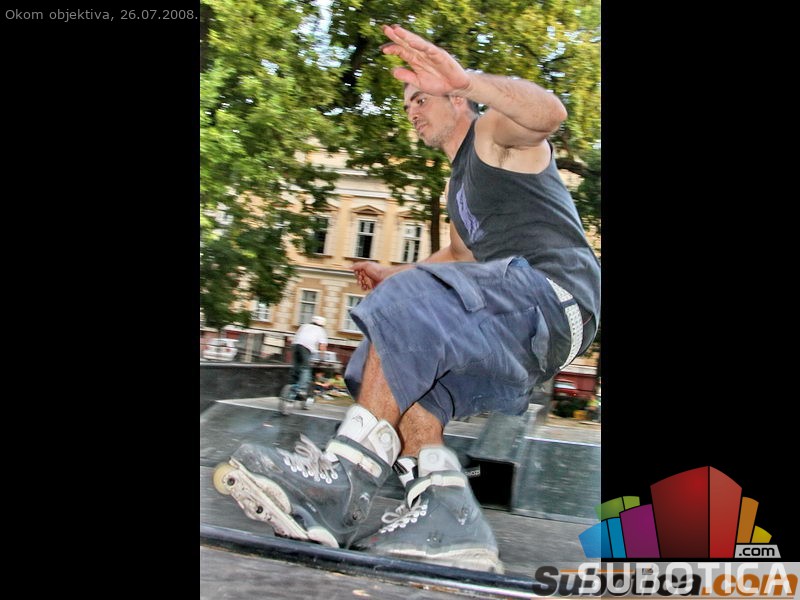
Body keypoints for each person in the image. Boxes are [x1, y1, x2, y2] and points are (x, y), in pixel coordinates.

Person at [216, 24, 599, 573]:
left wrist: (466, 79)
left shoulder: (492, 134)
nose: (412, 112)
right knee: (390, 369)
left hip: (557, 297)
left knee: (409, 304)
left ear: (456, 100)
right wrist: (393, 272)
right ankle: (445, 513)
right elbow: (459, 256)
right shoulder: (458, 186)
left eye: (421, 98)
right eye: (407, 104)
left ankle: (343, 483)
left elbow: (549, 114)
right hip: (523, 323)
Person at [287, 315, 328, 406]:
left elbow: (296, 337)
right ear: (322, 324)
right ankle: (301, 390)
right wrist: (322, 359)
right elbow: (322, 346)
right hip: (306, 348)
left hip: (295, 347)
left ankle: (291, 387)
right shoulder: (321, 330)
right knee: (305, 369)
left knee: (296, 368)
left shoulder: (304, 326)